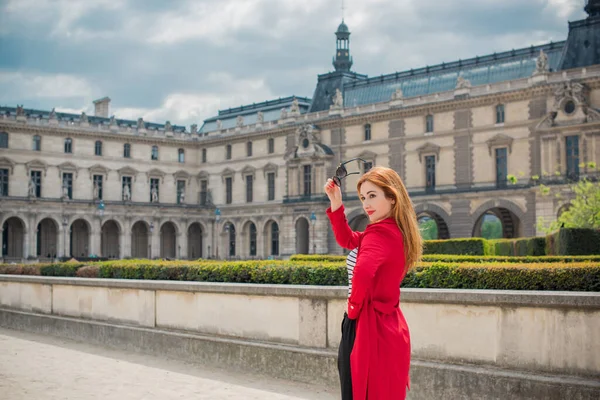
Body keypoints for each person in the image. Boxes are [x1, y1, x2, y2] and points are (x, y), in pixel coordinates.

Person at [324, 166, 422, 400]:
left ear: (392, 198)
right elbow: (348, 239)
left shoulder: (379, 234)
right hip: (389, 326)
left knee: (356, 392)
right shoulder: (393, 232)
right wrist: (336, 202)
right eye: (363, 197)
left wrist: (352, 309)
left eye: (373, 196)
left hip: (366, 325)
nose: (366, 203)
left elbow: (363, 272)